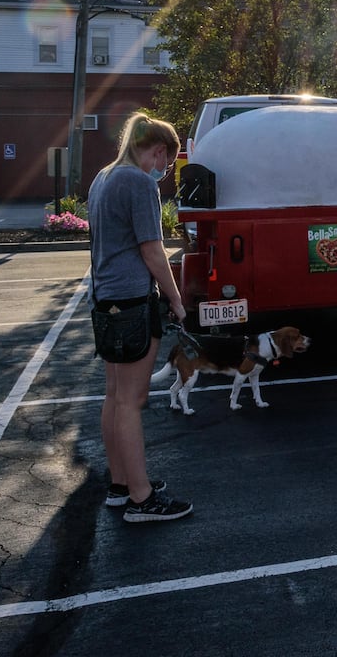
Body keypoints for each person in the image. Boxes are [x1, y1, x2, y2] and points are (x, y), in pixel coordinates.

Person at [88, 113, 193, 523]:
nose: (163, 170)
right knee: (132, 402)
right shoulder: (137, 182)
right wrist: (177, 300)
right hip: (132, 301)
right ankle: (142, 498)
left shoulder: (104, 177)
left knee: (115, 396)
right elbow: (153, 251)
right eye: (165, 161)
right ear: (159, 150)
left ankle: (121, 485)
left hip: (107, 299)